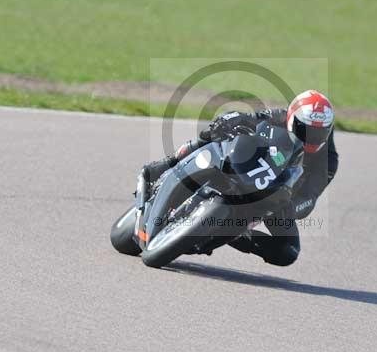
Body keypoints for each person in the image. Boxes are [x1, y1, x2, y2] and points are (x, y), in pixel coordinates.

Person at [141, 90, 339, 266]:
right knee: (215, 131)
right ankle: (168, 163)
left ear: (328, 130)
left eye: (318, 133)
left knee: (287, 251)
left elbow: (310, 197)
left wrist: (290, 207)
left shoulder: (327, 162)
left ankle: (235, 235)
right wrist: (232, 120)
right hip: (252, 171)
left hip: (277, 194)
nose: (311, 138)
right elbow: (248, 117)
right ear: (292, 118)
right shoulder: (280, 116)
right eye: (305, 129)